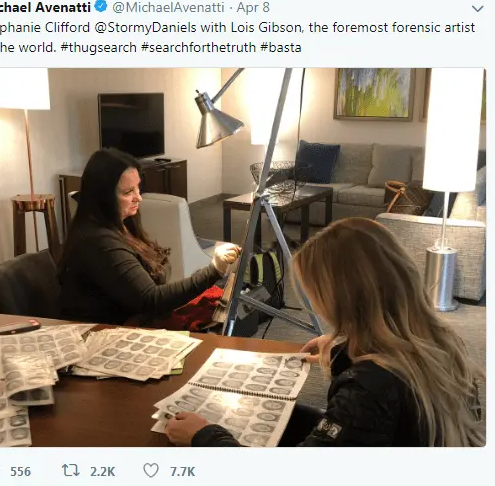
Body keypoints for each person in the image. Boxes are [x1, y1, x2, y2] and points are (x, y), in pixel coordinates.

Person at [165, 218, 484, 447]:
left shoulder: (367, 391)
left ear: (341, 301)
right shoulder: (440, 342)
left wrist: (204, 437)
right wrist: (344, 349)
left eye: (313, 293)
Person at [58, 147, 240, 326]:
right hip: (108, 333)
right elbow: (151, 300)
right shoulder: (99, 242)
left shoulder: (122, 222)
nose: (139, 197)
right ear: (103, 197)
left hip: (131, 321)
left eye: (137, 187)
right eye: (128, 192)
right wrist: (213, 270)